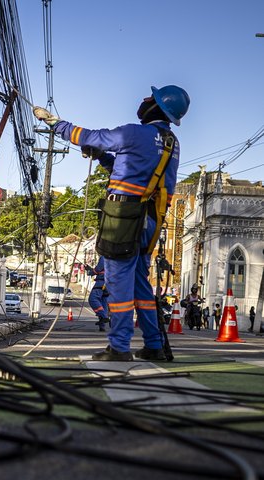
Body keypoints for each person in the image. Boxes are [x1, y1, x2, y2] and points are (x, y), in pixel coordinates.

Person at [34, 85, 190, 361]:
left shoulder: (134, 132)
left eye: (150, 98)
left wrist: (54, 122)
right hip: (150, 222)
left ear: (157, 106)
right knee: (141, 284)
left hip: (123, 219)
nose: (144, 100)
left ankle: (119, 347)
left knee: (117, 285)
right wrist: (103, 157)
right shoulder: (171, 143)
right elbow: (134, 172)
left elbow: (88, 136)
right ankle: (153, 345)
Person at [85, 257, 109, 332]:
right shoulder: (114, 257)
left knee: (93, 299)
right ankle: (102, 326)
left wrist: (91, 271)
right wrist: (90, 269)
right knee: (103, 303)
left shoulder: (105, 256)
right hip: (109, 284)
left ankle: (104, 317)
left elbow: (98, 269)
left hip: (102, 282)